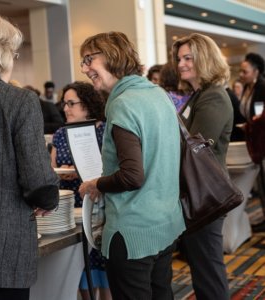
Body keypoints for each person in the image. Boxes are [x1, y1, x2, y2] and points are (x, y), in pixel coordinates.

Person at [78, 31, 185, 300]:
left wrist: (96, 184)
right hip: (165, 222)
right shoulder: (158, 94)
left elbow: (132, 176)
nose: (85, 68)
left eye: (89, 59)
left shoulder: (124, 103)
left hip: (133, 231)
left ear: (113, 56)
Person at [0, 11, 59, 300]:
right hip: (3, 243)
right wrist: (47, 199)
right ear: (1, 52)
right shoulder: (18, 100)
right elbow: (37, 178)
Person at [172, 33, 232, 300]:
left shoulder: (214, 97)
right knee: (202, 267)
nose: (181, 64)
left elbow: (195, 150)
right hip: (196, 193)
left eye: (188, 58)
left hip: (206, 194)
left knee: (208, 269)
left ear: (204, 59)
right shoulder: (198, 95)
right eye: (179, 58)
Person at [50, 81, 111, 300]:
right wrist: (60, 172)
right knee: (77, 266)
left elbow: (113, 170)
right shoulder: (61, 133)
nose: (65, 109)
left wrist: (84, 173)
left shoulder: (105, 131)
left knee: (102, 264)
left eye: (71, 103)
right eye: (64, 104)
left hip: (97, 206)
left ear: (87, 105)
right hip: (69, 207)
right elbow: (51, 167)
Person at [239, 52, 265, 231]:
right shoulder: (248, 88)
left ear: (256, 72)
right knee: (261, 183)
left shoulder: (262, 87)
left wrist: (250, 125)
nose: (241, 75)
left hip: (262, 139)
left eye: (245, 72)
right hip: (254, 139)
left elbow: (262, 117)